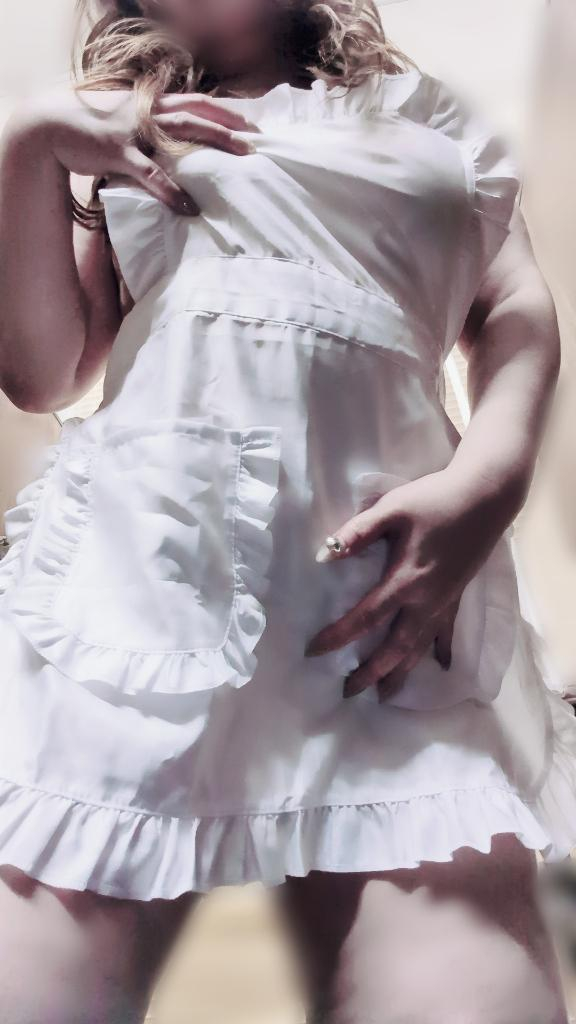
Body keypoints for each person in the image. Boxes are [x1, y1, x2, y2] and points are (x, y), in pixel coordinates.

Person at [0, 1, 574, 1021]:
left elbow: (515, 307)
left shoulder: (426, 113)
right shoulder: (116, 128)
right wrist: (30, 144)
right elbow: (45, 372)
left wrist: (490, 480)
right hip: (140, 585)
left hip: (387, 608)